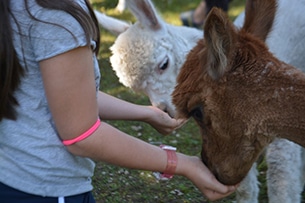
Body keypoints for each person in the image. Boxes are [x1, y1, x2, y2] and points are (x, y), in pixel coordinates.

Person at [0, 0, 238, 202]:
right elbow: (81, 136)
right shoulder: (57, 15)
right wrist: (181, 164)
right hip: (45, 186)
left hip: (12, 171)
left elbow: (65, 97)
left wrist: (145, 113)